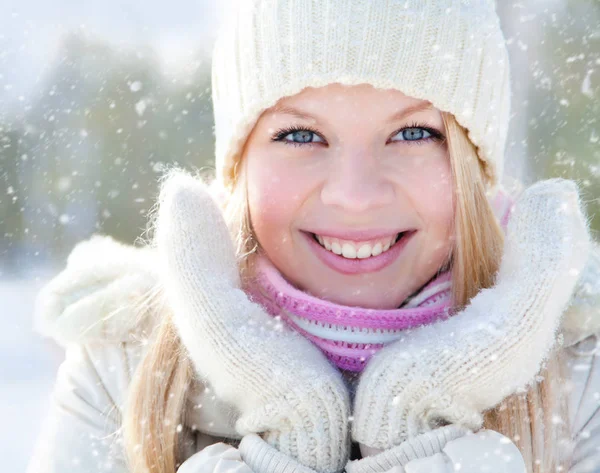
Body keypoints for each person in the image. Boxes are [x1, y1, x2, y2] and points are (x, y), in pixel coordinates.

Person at [27, 1, 600, 472]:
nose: (354, 194)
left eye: (414, 132)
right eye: (301, 134)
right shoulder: (125, 370)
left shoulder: (579, 374)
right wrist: (286, 413)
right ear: (239, 164)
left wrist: (422, 403)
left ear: (473, 167)